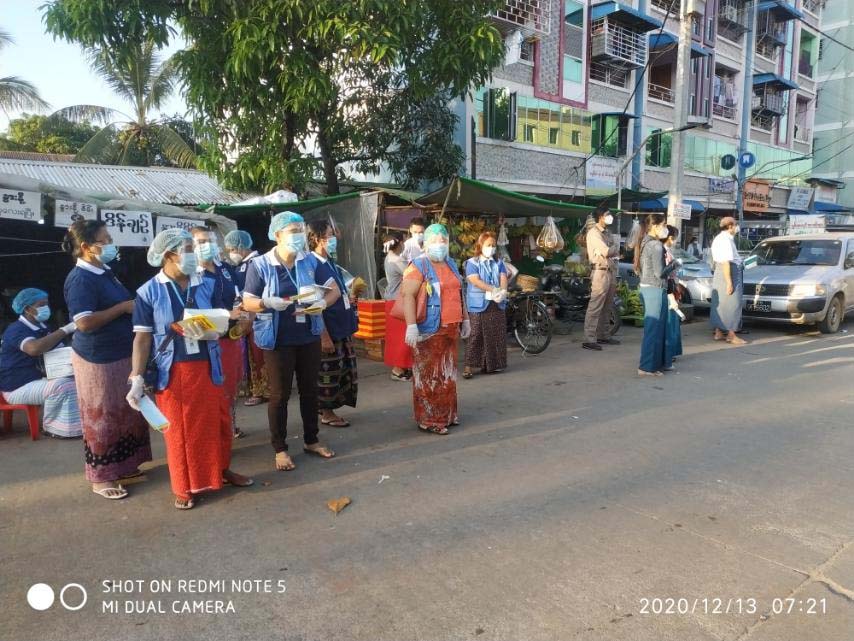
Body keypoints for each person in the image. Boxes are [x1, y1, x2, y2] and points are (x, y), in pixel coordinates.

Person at [127, 228, 254, 510]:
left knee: (218, 422)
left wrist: (234, 320)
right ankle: (185, 488)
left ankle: (220, 471)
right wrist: (136, 376)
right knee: (181, 431)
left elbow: (222, 318)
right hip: (174, 371)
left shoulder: (205, 284)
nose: (192, 253)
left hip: (209, 364)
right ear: (169, 255)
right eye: (186, 248)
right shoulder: (148, 292)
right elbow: (142, 337)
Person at [242, 211, 341, 471]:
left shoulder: (309, 261)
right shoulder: (260, 265)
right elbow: (247, 301)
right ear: (277, 235)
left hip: (308, 334)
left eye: (300, 230)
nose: (299, 236)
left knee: (310, 390)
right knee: (279, 395)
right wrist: (266, 302)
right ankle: (280, 448)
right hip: (277, 339)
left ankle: (312, 439)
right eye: (292, 231)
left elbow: (335, 290)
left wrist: (322, 302)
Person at [62, 219, 151, 500]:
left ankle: (123, 466)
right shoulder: (80, 279)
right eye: (105, 240)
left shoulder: (104, 271)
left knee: (125, 412)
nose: (110, 244)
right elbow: (84, 322)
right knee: (102, 417)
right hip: (97, 357)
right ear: (87, 247)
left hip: (120, 352)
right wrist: (123, 307)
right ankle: (101, 477)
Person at [401, 223, 470, 435]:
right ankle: (430, 419)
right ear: (426, 243)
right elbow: (408, 296)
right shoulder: (418, 265)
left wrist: (465, 319)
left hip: (451, 328)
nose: (440, 244)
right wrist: (411, 325)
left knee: (447, 374)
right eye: (435, 241)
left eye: (444, 240)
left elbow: (459, 293)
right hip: (429, 329)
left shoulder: (450, 263)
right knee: (429, 375)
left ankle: (447, 414)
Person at [0, 288, 82, 438]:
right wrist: (65, 330)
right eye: (41, 304)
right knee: (63, 386)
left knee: (79, 380)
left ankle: (76, 424)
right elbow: (34, 348)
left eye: (47, 303)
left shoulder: (42, 327)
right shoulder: (16, 330)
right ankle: (55, 429)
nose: (46, 308)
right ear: (27, 309)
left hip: (37, 379)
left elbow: (60, 351)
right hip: (17, 387)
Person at [191, 227, 249, 438]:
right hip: (208, 340)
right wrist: (227, 314)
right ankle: (215, 430)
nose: (207, 246)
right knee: (213, 388)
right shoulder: (191, 274)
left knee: (230, 385)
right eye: (201, 242)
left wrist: (243, 315)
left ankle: (228, 426)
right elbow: (194, 312)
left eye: (210, 241)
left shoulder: (225, 268)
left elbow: (239, 294)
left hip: (231, 337)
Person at [308, 220, 358, 427]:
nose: (335, 238)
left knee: (341, 371)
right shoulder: (312, 265)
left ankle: (329, 410)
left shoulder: (329, 262)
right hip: (329, 329)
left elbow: (337, 292)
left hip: (341, 327)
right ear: (318, 238)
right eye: (330, 235)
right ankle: (326, 413)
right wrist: (324, 335)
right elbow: (312, 304)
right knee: (327, 373)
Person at [224, 229, 269, 407]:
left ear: (240, 247)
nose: (230, 254)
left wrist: (248, 317)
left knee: (259, 356)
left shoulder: (255, 263)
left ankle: (262, 390)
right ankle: (256, 388)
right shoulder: (241, 265)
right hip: (245, 315)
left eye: (231, 249)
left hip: (257, 317)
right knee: (251, 355)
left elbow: (254, 295)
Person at [635, 214, 679, 377]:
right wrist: (674, 264)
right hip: (655, 288)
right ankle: (646, 367)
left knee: (655, 329)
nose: (665, 229)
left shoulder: (646, 242)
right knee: (654, 329)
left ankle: (653, 365)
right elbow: (660, 273)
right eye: (663, 225)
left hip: (648, 288)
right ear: (654, 226)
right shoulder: (656, 245)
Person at [463, 231, 508, 378]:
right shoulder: (471, 263)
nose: (492, 248)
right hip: (478, 304)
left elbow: (503, 278)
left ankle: (491, 365)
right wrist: (493, 289)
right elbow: (475, 280)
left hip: (496, 303)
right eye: (489, 245)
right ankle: (468, 367)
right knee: (476, 334)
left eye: (494, 245)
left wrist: (502, 291)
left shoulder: (499, 263)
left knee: (496, 334)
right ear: (481, 245)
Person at [582, 205, 620, 351]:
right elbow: (608, 251)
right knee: (595, 306)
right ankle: (589, 339)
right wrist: (613, 248)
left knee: (607, 306)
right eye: (608, 214)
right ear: (600, 217)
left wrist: (613, 249)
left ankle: (603, 335)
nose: (610, 217)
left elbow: (613, 250)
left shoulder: (607, 233)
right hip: (600, 272)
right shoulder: (593, 233)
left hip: (610, 271)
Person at [710, 216, 747, 345]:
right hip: (728, 271)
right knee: (733, 303)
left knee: (720, 303)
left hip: (721, 271)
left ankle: (719, 332)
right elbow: (726, 262)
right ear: (730, 226)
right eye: (735, 225)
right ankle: (731, 334)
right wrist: (729, 282)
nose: (737, 227)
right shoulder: (725, 240)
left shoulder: (719, 238)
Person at [382, 231, 413, 382]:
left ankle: (402, 368)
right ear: (400, 243)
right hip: (398, 303)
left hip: (392, 302)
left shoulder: (390, 257)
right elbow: (412, 274)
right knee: (404, 337)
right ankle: (398, 369)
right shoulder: (397, 260)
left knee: (397, 338)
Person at [663, 225, 683, 367]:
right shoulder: (663, 251)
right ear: (670, 237)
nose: (675, 240)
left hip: (673, 287)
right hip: (668, 288)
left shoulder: (668, 251)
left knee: (673, 322)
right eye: (675, 237)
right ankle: (668, 351)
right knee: (670, 322)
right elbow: (666, 273)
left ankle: (672, 351)